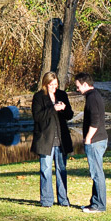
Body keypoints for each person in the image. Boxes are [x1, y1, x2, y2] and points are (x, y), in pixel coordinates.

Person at [31, 71, 73, 208]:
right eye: (51, 85)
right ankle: (47, 200)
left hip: (61, 139)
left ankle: (63, 200)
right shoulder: (38, 97)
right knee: (45, 169)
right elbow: (37, 117)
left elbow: (69, 115)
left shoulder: (62, 95)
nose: (54, 87)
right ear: (45, 84)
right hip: (45, 139)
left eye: (56, 84)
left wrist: (64, 108)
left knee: (62, 169)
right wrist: (53, 108)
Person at [73, 72, 108, 213]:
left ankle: (99, 205)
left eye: (78, 86)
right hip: (99, 139)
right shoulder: (94, 95)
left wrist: (88, 138)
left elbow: (95, 121)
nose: (77, 89)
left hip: (96, 140)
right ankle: (95, 203)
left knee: (96, 173)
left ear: (85, 84)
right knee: (96, 172)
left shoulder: (92, 98)